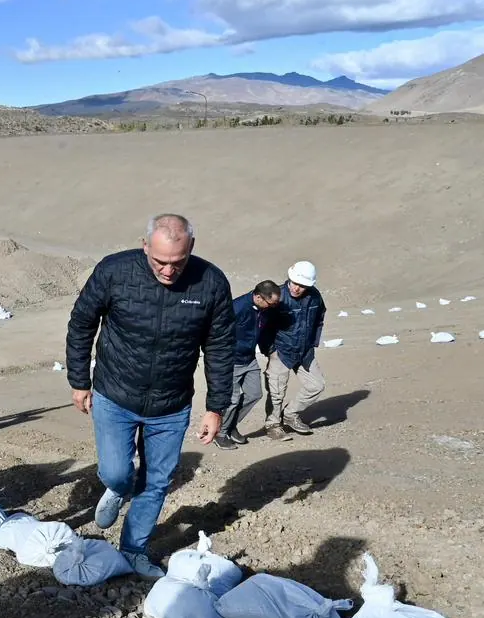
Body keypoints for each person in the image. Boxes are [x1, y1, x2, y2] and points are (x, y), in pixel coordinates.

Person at [66, 214, 235, 578]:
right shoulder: (115, 271)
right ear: (145, 246)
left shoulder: (211, 283)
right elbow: (82, 323)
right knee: (116, 471)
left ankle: (133, 550)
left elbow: (220, 348)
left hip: (171, 405)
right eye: (160, 261)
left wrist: (216, 407)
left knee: (157, 481)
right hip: (115, 393)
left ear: (191, 250)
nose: (169, 271)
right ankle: (116, 487)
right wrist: (79, 381)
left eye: (178, 262)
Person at [259, 260, 327, 439]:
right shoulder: (278, 298)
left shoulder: (315, 297)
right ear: (289, 277)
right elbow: (263, 326)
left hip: (305, 352)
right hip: (280, 351)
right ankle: (273, 425)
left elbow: (319, 318)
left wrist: (313, 343)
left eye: (302, 285)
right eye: (295, 282)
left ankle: (290, 414)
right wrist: (270, 349)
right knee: (276, 392)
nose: (297, 288)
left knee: (316, 385)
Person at [215, 280, 283, 450]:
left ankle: (230, 426)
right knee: (232, 399)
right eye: (271, 303)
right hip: (231, 360)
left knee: (255, 394)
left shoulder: (264, 310)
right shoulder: (236, 308)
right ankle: (220, 433)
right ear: (259, 297)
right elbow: (216, 333)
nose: (273, 306)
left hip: (250, 359)